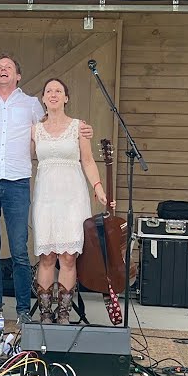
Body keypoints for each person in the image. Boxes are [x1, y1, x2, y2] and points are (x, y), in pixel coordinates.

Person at [0, 54, 93, 330]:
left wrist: (81, 129)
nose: (3, 69)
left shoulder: (30, 105)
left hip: (17, 181)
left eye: (9, 67)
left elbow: (55, 128)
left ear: (18, 76)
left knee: (19, 251)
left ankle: (25, 311)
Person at [31, 78, 114, 324]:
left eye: (59, 91)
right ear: (43, 99)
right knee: (47, 256)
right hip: (45, 196)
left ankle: (64, 312)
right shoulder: (34, 129)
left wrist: (98, 187)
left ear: (66, 98)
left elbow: (88, 161)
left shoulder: (79, 127)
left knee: (68, 256)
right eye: (49, 91)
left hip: (73, 196)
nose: (54, 94)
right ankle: (45, 312)